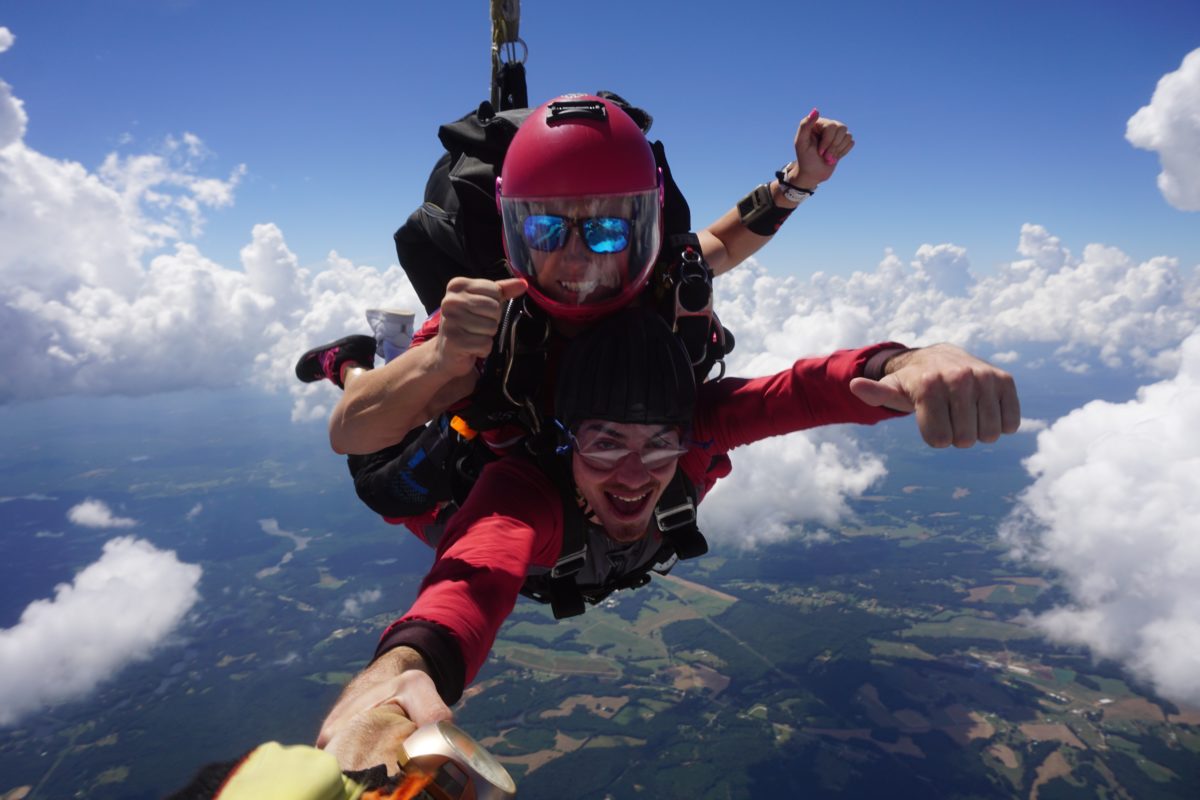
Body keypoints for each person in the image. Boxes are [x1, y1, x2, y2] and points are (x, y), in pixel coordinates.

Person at [316, 308, 1021, 772]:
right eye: (605, 442)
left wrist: (910, 362)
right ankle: (350, 361)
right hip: (435, 499)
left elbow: (802, 389)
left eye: (661, 443)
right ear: (564, 442)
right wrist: (409, 665)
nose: (634, 474)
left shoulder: (699, 433)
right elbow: (474, 574)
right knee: (382, 465)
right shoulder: (523, 492)